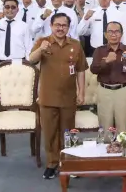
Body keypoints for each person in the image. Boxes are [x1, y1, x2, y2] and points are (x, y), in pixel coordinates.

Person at [28, 13, 87, 180]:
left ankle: (68, 162)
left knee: (68, 132)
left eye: (64, 25)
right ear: (51, 26)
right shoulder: (43, 42)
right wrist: (41, 49)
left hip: (68, 97)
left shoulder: (75, 45)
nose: (60, 28)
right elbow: (31, 60)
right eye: (57, 25)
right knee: (50, 133)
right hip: (47, 97)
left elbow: (81, 70)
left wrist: (81, 92)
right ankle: (52, 164)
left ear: (69, 28)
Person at [89, 20, 126, 133]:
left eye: (117, 31)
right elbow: (93, 69)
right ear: (105, 34)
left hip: (122, 91)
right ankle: (106, 149)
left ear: (121, 34)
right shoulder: (99, 51)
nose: (114, 34)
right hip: (104, 91)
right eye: (110, 32)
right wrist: (106, 61)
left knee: (122, 129)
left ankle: (122, 150)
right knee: (105, 129)